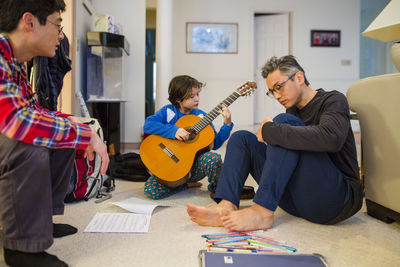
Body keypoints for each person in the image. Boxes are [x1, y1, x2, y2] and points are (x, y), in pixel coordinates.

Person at [187, 55, 363, 232]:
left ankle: (262, 211)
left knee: (282, 123)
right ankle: (226, 205)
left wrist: (271, 130)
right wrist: (273, 133)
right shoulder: (293, 109)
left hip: (336, 199)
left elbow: (331, 138)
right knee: (241, 138)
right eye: (272, 91)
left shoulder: (333, 100)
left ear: (299, 78)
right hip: (296, 201)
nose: (277, 95)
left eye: (279, 87)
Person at [0, 1, 109, 266]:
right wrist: (85, 135)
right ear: (29, 22)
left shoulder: (16, 63)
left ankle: (39, 224)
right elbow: (17, 121)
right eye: (58, 26)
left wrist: (73, 123)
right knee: (28, 142)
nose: (61, 36)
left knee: (61, 135)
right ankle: (21, 248)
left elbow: (34, 111)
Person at [143, 75, 233, 200]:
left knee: (214, 159)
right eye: (192, 96)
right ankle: (184, 185)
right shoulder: (168, 112)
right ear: (179, 99)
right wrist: (174, 131)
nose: (197, 99)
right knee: (151, 191)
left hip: (194, 168)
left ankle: (218, 189)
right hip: (171, 168)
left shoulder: (202, 116)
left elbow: (216, 143)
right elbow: (148, 125)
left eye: (197, 94)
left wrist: (227, 124)